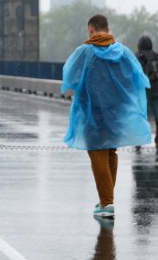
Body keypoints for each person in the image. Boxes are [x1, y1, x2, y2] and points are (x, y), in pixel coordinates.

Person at [61, 15, 152, 218]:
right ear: (108, 29)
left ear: (91, 30)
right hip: (115, 110)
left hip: (92, 109)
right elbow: (138, 78)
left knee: (96, 152)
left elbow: (69, 75)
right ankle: (106, 198)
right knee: (111, 151)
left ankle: (107, 202)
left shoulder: (85, 51)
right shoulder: (122, 51)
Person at [135, 36, 158, 145]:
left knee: (139, 114)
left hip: (141, 90)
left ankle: (138, 139)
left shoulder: (136, 56)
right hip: (155, 89)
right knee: (157, 114)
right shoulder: (156, 56)